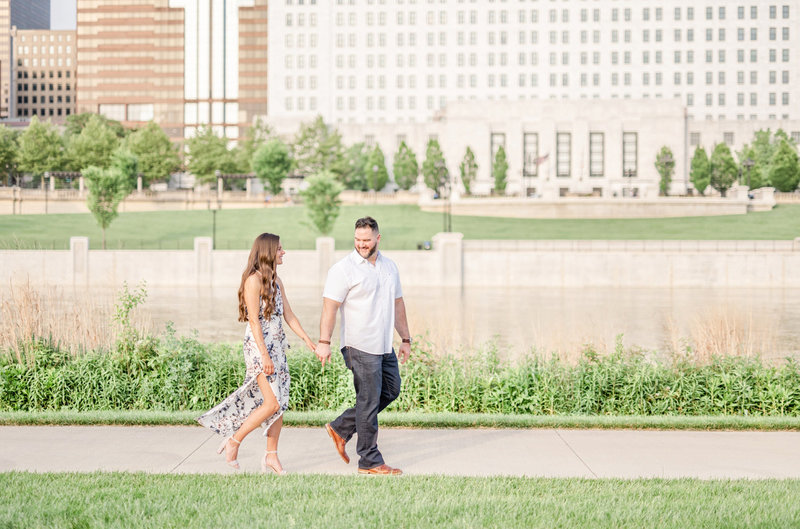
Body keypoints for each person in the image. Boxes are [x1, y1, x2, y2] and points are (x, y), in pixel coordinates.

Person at [197, 233, 316, 474]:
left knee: (280, 403)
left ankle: (271, 456)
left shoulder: (276, 280)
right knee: (271, 403)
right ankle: (234, 441)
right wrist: (264, 355)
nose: (284, 252)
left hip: (278, 348)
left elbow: (289, 315)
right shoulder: (253, 280)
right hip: (259, 348)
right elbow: (254, 321)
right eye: (280, 249)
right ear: (268, 251)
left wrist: (308, 340)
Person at [315, 216, 412, 475]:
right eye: (357, 240)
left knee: (391, 390)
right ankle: (369, 460)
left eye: (366, 240)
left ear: (378, 238)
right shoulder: (343, 269)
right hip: (358, 345)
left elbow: (398, 303)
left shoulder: (390, 267)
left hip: (383, 345)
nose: (361, 244)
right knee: (368, 401)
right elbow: (330, 308)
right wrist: (324, 342)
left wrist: (405, 338)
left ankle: (341, 427)